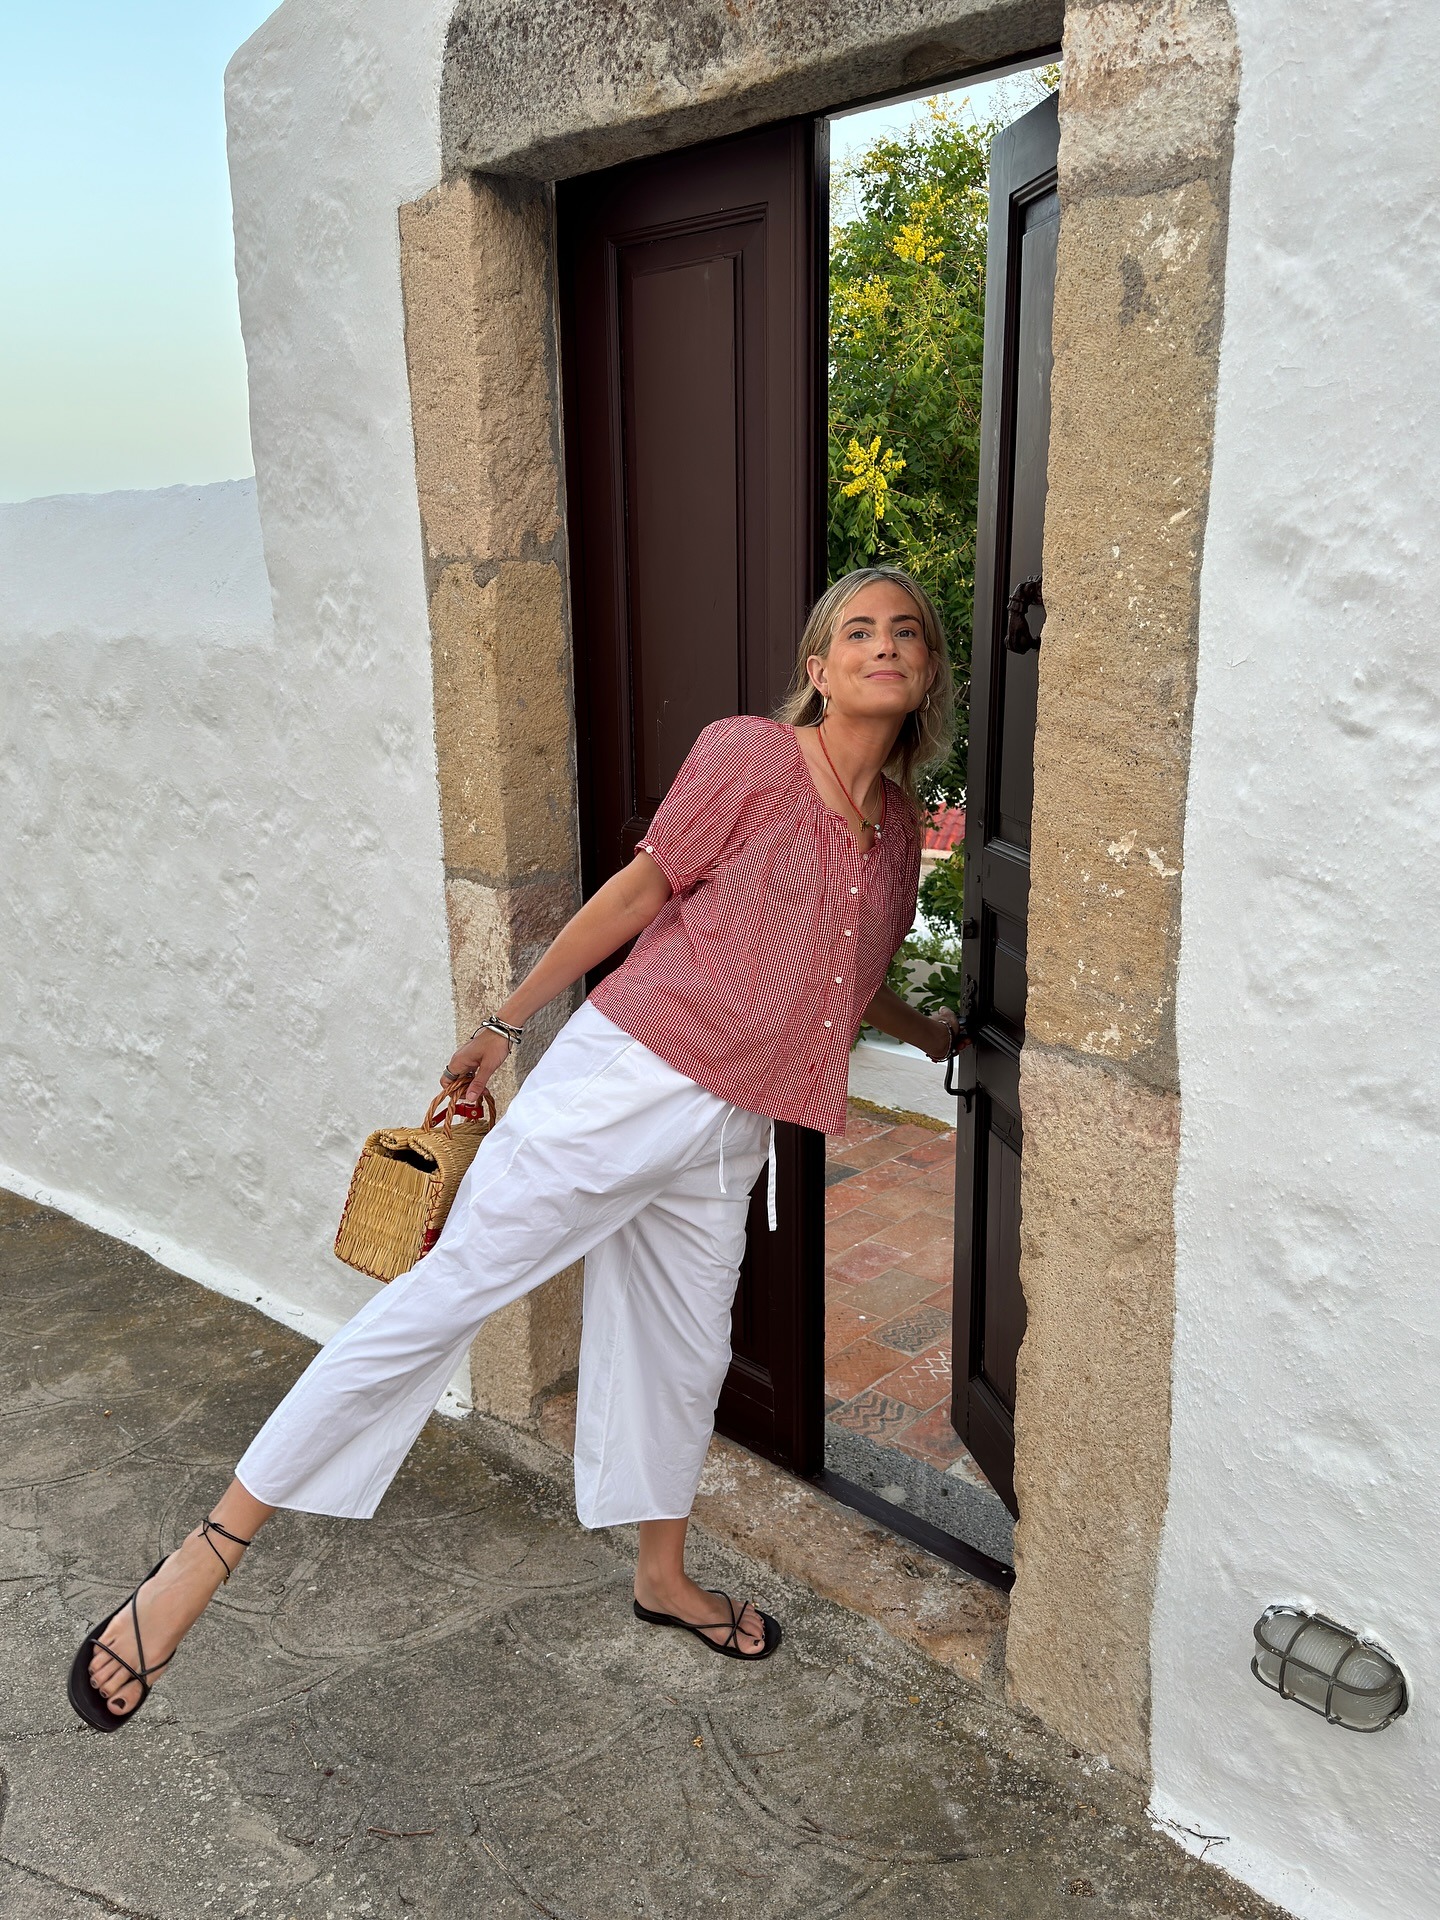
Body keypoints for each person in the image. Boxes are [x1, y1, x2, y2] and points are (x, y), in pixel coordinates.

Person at [70, 565, 966, 1728]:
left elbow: (852, 975)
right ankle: (205, 1555)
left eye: (906, 633)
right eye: (859, 631)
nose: (884, 646)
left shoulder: (895, 832)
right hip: (627, 1083)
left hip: (731, 1129)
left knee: (683, 1356)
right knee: (446, 1298)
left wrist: (935, 1032)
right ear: (818, 667)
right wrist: (505, 1024)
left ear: (929, 670)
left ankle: (659, 1576)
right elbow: (640, 895)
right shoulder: (749, 756)